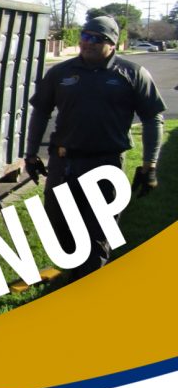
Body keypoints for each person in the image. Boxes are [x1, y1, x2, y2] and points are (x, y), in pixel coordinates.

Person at [25, 15, 165, 281]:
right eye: (84, 36)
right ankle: (74, 273)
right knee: (60, 225)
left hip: (106, 164)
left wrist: (150, 165)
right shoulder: (60, 73)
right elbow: (40, 112)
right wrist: (31, 154)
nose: (87, 43)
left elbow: (153, 118)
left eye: (96, 39)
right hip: (63, 164)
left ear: (112, 44)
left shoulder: (132, 74)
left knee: (99, 232)